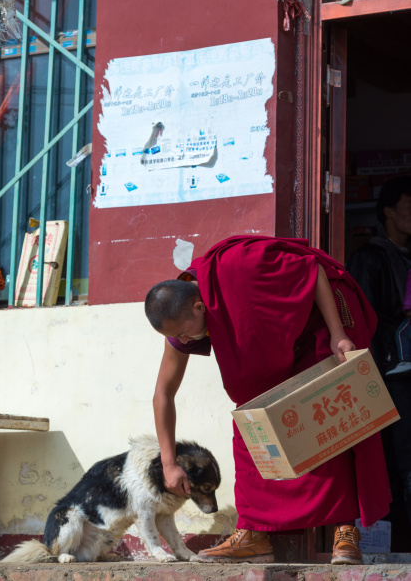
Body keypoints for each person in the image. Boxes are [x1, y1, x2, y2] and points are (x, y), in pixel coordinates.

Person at [145, 235, 391, 564]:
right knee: (251, 428)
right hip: (274, 352)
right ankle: (253, 535)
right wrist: (169, 463)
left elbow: (312, 269)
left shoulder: (239, 266)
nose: (186, 341)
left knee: (329, 422)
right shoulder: (180, 317)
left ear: (199, 307)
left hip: (315, 330)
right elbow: (163, 393)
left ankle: (345, 533)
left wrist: (337, 334)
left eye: (187, 333)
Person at [348, 176, 411, 542]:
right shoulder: (369, 258)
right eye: (408, 208)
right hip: (392, 373)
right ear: (388, 212)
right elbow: (362, 321)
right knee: (399, 460)